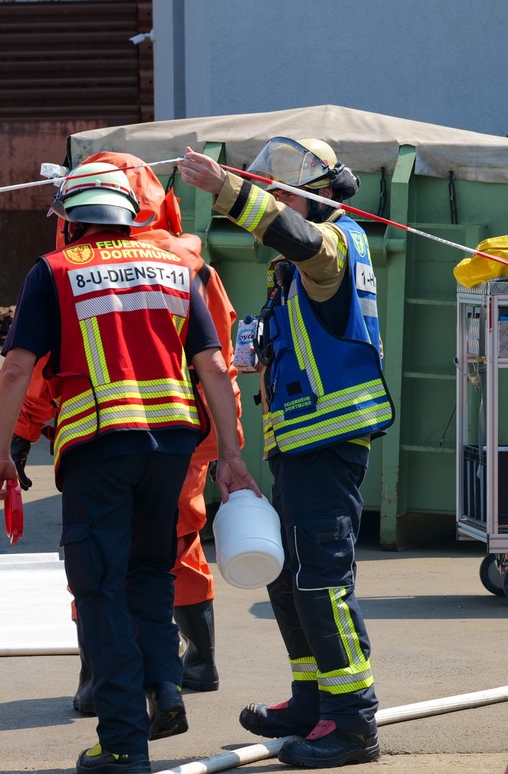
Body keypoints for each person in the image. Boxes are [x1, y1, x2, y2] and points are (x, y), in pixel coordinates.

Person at [0, 161, 258, 774]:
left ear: (72, 221)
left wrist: (3, 453)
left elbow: (15, 370)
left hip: (99, 451)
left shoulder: (53, 272)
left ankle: (122, 743)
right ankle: (165, 690)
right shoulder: (175, 268)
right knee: (150, 575)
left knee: (99, 588)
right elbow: (214, 368)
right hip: (170, 450)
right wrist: (232, 458)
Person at [179, 137, 394, 768]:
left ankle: (352, 722)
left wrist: (226, 188)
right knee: (290, 579)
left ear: (321, 193)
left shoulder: (332, 245)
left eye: (285, 188)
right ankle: (313, 699)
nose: (274, 195)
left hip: (329, 444)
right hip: (301, 447)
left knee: (323, 581)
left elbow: (296, 236)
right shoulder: (297, 276)